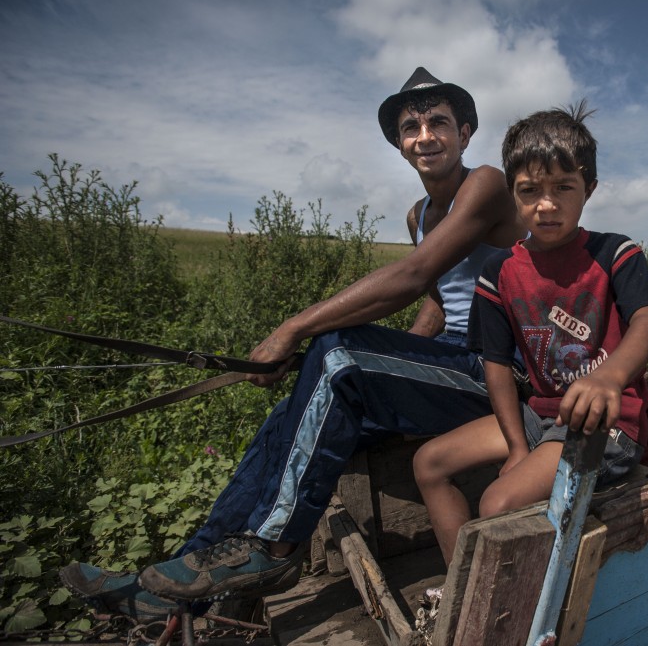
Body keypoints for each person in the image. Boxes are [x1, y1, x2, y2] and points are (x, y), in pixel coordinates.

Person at [59, 67, 525, 619]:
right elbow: (433, 296)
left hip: (496, 374)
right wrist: (386, 367)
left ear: (465, 133)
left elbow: (411, 274)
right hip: (449, 365)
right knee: (290, 413)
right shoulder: (417, 214)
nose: (425, 135)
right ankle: (177, 585)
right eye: (411, 127)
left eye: (438, 122)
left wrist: (292, 329)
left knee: (336, 351)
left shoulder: (487, 183)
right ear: (399, 145)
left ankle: (273, 546)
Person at [412, 102, 648, 567]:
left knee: (497, 504)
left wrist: (610, 378)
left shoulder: (616, 253)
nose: (546, 205)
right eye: (529, 191)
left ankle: (497, 623)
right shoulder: (499, 270)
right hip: (540, 417)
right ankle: (458, 595)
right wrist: (515, 445)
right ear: (512, 193)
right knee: (428, 463)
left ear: (588, 189)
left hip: (605, 424)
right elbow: (495, 362)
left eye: (563, 188)